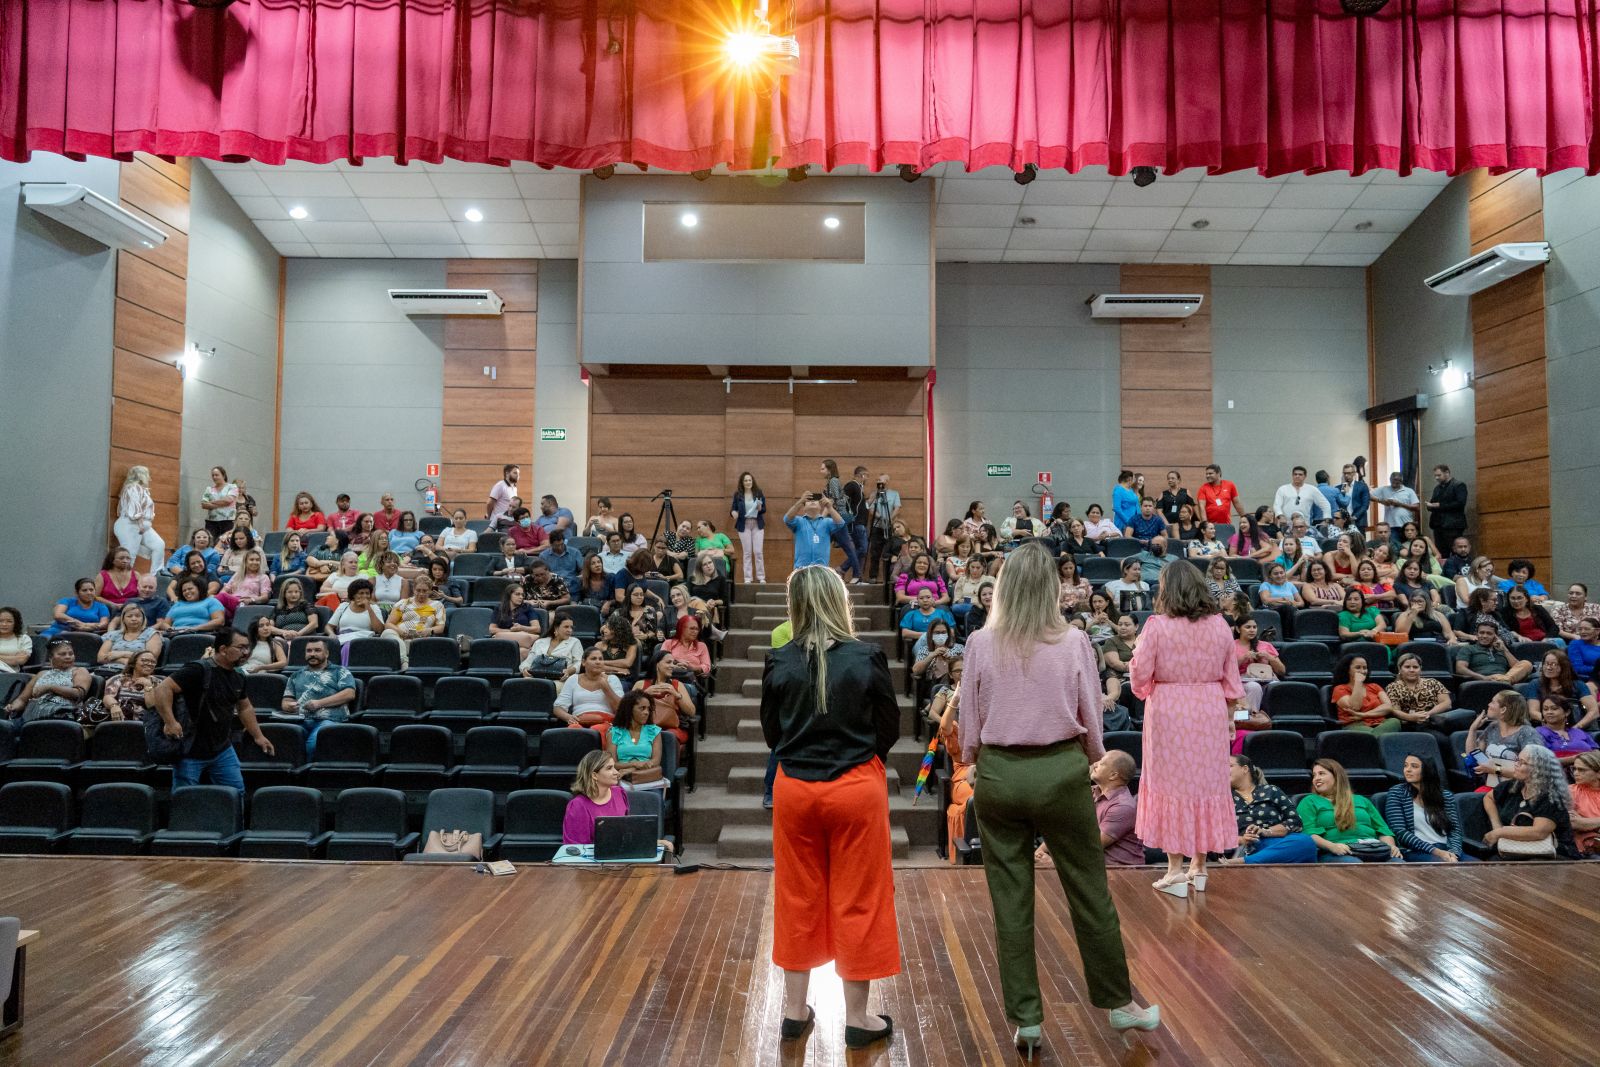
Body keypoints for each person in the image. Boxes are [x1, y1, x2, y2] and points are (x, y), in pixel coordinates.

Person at [959, 542, 1157, 1052]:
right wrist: (1090, 757)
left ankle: (1026, 1019)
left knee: (1011, 900)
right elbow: (1092, 716)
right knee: (1089, 890)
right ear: (1052, 587)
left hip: (1000, 774)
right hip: (1062, 770)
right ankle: (1119, 1004)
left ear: (1002, 587)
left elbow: (969, 728)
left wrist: (976, 760)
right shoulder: (1073, 641)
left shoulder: (980, 642)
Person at [759, 563, 900, 1050]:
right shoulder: (867, 656)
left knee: (796, 896)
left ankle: (794, 1013)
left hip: (795, 789)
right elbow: (889, 728)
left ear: (794, 605)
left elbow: (772, 734)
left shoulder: (778, 659)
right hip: (856, 787)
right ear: (841, 601)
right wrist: (862, 762)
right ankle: (858, 1018)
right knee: (861, 897)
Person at [1130, 558, 1243, 896]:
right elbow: (1233, 680)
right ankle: (1200, 867)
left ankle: (1175, 871)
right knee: (1206, 786)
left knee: (1172, 787)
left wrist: (1146, 688)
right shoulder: (1220, 626)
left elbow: (1139, 674)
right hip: (1209, 707)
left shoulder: (1156, 626)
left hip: (1169, 709)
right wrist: (1227, 717)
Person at [146, 628, 275, 794]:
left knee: (236, 793)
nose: (246, 652)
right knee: (185, 797)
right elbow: (163, 689)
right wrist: (170, 722)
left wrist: (258, 736)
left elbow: (245, 707)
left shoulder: (238, 677)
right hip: (190, 750)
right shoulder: (198, 670)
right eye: (241, 647)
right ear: (223, 649)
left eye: (247, 647)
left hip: (221, 749)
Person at [1482, 744, 1579, 858]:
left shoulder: (1550, 796)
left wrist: (1500, 832)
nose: (1516, 764)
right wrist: (1496, 825)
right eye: (1517, 760)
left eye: (1522, 762)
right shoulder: (1515, 785)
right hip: (1516, 849)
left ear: (1538, 769)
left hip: (1551, 855)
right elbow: (1488, 798)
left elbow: (1538, 832)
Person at [1297, 759, 1402, 862]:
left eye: (1321, 774)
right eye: (1314, 775)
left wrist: (1391, 847)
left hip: (1372, 848)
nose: (1316, 778)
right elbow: (1308, 834)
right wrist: (1332, 846)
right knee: (1353, 864)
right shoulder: (1309, 801)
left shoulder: (1362, 800)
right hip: (1335, 852)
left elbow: (1382, 830)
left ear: (1337, 776)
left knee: (1398, 863)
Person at [1225, 756, 1317, 863]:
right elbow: (1215, 835)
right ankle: (1250, 859)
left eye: (1229, 766)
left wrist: (1266, 831)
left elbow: (1295, 821)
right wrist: (1243, 839)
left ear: (1245, 769)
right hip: (1249, 847)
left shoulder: (1271, 791)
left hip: (1279, 842)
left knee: (1306, 842)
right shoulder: (1223, 799)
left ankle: (1246, 861)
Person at [1383, 755, 1470, 862]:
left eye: (1414, 766)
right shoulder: (1397, 793)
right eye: (1406, 766)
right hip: (1416, 851)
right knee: (1443, 867)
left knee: (1480, 867)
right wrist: (1438, 852)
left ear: (1427, 770)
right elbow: (1400, 832)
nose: (1408, 770)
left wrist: (1454, 854)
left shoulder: (1445, 796)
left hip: (1447, 849)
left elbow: (1454, 830)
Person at [280, 638, 357, 758]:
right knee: (283, 740)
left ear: (326, 653)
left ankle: (308, 774)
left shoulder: (340, 671)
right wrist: (289, 706)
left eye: (317, 650)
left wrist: (319, 703)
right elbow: (286, 701)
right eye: (309, 651)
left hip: (330, 719)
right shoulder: (296, 675)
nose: (312, 654)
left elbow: (349, 694)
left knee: (314, 743)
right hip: (300, 720)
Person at [1465, 691, 1545, 788]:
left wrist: (1495, 769)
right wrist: (1472, 730)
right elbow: (1473, 755)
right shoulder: (1492, 728)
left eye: (1493, 702)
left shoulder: (1527, 733)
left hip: (1518, 789)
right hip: (1491, 787)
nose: (1488, 704)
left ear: (1503, 709)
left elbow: (1533, 770)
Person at [3, 638, 90, 723]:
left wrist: (50, 687)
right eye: (62, 654)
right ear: (51, 658)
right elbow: (22, 700)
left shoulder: (79, 671)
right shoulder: (41, 674)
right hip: (32, 715)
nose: (68, 657)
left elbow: (78, 694)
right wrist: (12, 707)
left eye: (71, 654)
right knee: (6, 728)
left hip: (62, 716)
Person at [562, 750, 630, 845]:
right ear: (594, 775)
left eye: (614, 767)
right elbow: (577, 849)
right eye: (609, 768)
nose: (616, 773)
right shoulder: (578, 806)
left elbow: (627, 830)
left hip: (621, 854)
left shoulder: (620, 792)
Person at [1518, 650, 1599, 731]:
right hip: (1546, 728)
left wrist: (1577, 728)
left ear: (1564, 666)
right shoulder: (1535, 684)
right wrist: (1554, 723)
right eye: (1546, 664)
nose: (1549, 668)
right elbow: (1533, 712)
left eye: (1554, 664)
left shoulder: (1578, 685)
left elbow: (1594, 711)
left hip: (1576, 727)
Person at [1090, 751, 1143, 865]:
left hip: (1122, 873)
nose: (1095, 764)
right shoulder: (1091, 792)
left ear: (1113, 775)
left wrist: (1055, 863)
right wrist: (1041, 851)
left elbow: (1092, 846)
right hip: (1093, 866)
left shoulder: (1123, 807)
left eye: (1101, 763)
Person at [381, 574, 445, 668]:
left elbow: (441, 627)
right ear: (413, 589)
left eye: (425, 591)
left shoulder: (437, 605)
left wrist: (430, 630)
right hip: (400, 637)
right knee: (387, 632)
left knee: (401, 645)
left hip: (421, 638)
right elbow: (388, 624)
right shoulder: (403, 603)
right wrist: (401, 632)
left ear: (430, 590)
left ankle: (403, 660)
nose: (421, 594)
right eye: (418, 590)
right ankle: (404, 661)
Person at [604, 690, 664, 788]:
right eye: (642, 708)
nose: (646, 712)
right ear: (630, 709)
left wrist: (631, 770)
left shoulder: (654, 731)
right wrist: (635, 764)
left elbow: (656, 761)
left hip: (646, 777)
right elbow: (612, 764)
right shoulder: (614, 732)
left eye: (648, 709)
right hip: (620, 777)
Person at [553, 647, 625, 727]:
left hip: (605, 722)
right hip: (579, 721)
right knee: (574, 728)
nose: (598, 662)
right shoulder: (573, 679)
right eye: (593, 659)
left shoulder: (612, 679)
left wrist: (606, 688)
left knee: (599, 728)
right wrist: (568, 717)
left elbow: (621, 709)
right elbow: (558, 708)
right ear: (584, 662)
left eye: (600, 659)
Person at [1386, 652, 1456, 732]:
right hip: (1408, 725)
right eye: (1407, 667)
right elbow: (1394, 711)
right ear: (1400, 668)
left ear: (1420, 668)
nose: (1411, 670)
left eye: (1415, 667)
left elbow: (1447, 703)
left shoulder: (1432, 682)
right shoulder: (1392, 687)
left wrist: (1428, 714)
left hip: (1434, 722)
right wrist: (1411, 718)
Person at [114, 465, 165, 574]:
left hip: (142, 524)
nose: (149, 477)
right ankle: (123, 580)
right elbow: (134, 508)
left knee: (158, 545)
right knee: (129, 555)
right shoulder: (133, 487)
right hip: (131, 523)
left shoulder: (143, 490)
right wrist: (141, 524)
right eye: (147, 474)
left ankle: (156, 575)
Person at [1331, 654, 1398, 734]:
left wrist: (1363, 715)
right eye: (1358, 667)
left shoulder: (1374, 686)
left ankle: (1376, 739)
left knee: (1394, 721)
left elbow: (1388, 707)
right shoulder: (1339, 689)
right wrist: (1358, 682)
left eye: (1365, 668)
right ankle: (1379, 740)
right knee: (1371, 734)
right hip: (1355, 725)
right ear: (1347, 670)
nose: (1363, 671)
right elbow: (1355, 707)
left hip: (1380, 723)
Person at [1455, 620, 1533, 685]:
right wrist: (1484, 678)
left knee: (1527, 664)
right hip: (1481, 681)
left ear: (1495, 636)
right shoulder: (1468, 648)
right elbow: (1460, 669)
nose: (1484, 636)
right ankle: (1504, 681)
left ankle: (1504, 680)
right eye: (1481, 633)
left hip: (1504, 679)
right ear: (1477, 634)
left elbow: (1516, 668)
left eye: (1489, 633)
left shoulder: (1502, 649)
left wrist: (1504, 649)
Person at [783, 491, 841, 572]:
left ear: (820, 507)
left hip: (822, 569)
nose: (812, 501)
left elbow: (840, 523)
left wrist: (829, 507)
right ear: (804, 508)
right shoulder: (799, 521)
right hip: (801, 569)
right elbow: (787, 519)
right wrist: (800, 501)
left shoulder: (827, 522)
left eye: (815, 500)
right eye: (809, 501)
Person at [730, 471, 768, 584]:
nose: (748, 482)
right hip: (744, 525)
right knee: (747, 552)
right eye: (745, 480)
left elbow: (764, 509)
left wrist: (760, 507)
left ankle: (761, 577)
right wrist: (733, 513)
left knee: (758, 551)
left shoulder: (758, 492)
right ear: (742, 482)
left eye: (750, 480)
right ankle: (748, 578)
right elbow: (733, 508)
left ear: (753, 481)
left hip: (757, 524)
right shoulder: (738, 494)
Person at [864, 473, 902, 583]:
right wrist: (879, 516)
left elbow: (897, 508)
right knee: (875, 552)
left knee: (889, 552)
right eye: (877, 480)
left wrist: (889, 518)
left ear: (887, 481)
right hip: (877, 526)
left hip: (890, 527)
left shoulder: (894, 494)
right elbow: (870, 508)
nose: (879, 482)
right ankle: (873, 576)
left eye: (881, 480)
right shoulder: (874, 494)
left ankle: (890, 576)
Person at [98, 603, 162, 669]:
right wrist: (122, 660)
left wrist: (122, 654)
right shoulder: (114, 634)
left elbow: (150, 658)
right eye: (129, 616)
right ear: (123, 619)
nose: (134, 619)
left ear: (143, 618)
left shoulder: (151, 633)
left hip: (135, 671)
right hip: (107, 670)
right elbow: (100, 658)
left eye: (137, 616)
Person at [104, 649, 160, 722]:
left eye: (153, 662)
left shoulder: (158, 682)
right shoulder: (120, 679)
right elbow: (108, 697)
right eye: (144, 660)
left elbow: (152, 707)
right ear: (133, 663)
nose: (149, 664)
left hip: (145, 722)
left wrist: (148, 685)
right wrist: (114, 706)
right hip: (119, 719)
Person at [523, 613, 585, 679]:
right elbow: (528, 661)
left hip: (561, 679)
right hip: (537, 677)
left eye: (571, 627)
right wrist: (525, 669)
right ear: (556, 627)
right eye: (566, 627)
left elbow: (579, 662)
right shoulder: (540, 642)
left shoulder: (575, 642)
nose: (570, 630)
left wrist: (569, 671)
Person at [1420, 463, 1468, 549]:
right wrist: (1430, 506)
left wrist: (1439, 505)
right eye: (1435, 476)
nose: (1436, 478)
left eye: (1439, 475)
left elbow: (1460, 504)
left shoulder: (1458, 485)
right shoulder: (1437, 488)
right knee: (1441, 552)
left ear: (1447, 473)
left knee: (1455, 550)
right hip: (1438, 525)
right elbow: (1433, 502)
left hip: (1453, 525)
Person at [43, 578, 111, 638]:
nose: (89, 593)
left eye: (91, 590)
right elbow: (58, 615)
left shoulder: (101, 606)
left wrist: (87, 626)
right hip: (58, 631)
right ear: (76, 593)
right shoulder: (67, 601)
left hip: (85, 635)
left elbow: (104, 624)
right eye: (84, 590)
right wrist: (79, 623)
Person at [490, 585, 542, 654]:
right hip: (506, 637)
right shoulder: (499, 608)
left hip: (522, 637)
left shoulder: (527, 607)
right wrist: (511, 631)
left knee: (522, 651)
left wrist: (522, 628)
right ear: (509, 595)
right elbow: (492, 629)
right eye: (517, 594)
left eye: (522, 595)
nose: (521, 597)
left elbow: (537, 628)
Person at [1569, 750, 1600, 855]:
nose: (1576, 773)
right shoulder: (1570, 791)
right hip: (1584, 851)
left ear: (1598, 773)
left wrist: (1584, 822)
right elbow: (1572, 822)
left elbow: (1580, 823)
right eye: (1574, 769)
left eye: (1582, 770)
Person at [198, 466, 240, 541]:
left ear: (223, 475)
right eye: (213, 475)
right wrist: (222, 503)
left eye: (217, 475)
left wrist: (211, 503)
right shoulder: (209, 489)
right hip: (211, 522)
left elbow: (228, 500)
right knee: (211, 543)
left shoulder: (232, 487)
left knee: (225, 543)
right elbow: (203, 504)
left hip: (227, 521)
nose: (214, 477)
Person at [0, 608, 32, 674]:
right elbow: (16, 658)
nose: (4, 624)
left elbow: (21, 660)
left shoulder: (23, 638)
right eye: (0, 621)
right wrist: (12, 657)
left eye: (9, 621)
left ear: (15, 623)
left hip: (9, 674)